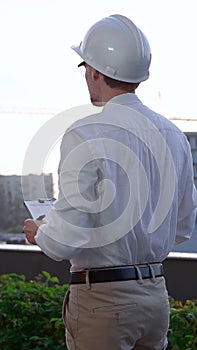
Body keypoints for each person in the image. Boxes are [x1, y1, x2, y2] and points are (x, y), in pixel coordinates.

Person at [23, 14, 197, 350]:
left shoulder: (85, 133)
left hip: (103, 301)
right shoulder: (174, 136)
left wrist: (40, 231)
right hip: (155, 297)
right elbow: (182, 227)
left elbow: (64, 240)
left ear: (95, 71)